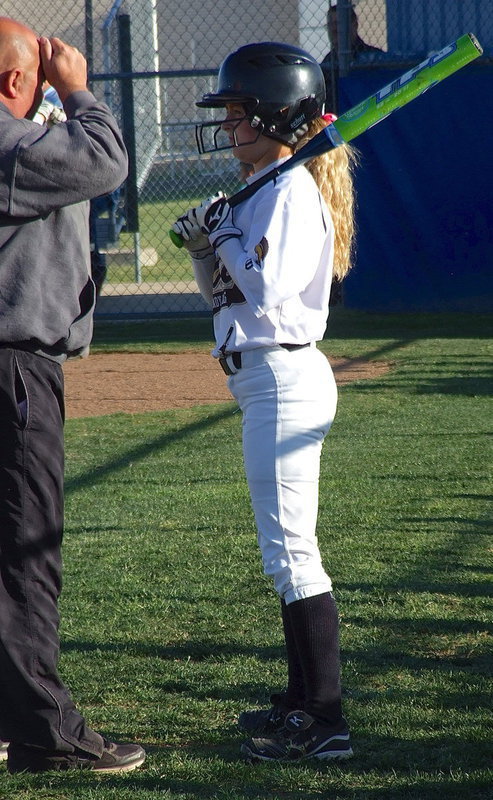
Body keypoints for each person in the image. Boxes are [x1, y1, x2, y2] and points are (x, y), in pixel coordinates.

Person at [172, 41, 357, 763]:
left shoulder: (289, 192)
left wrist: (223, 233)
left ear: (275, 115)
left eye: (239, 113)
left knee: (292, 555)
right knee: (283, 554)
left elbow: (270, 292)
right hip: (259, 376)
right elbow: (224, 297)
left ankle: (327, 721)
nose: (228, 127)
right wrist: (202, 249)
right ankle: (298, 702)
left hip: (283, 376)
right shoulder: (261, 191)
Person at [0, 18, 145, 774]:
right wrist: (79, 87)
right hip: (13, 370)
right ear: (14, 82)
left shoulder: (21, 140)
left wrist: (50, 97)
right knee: (26, 553)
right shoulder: (11, 145)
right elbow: (105, 160)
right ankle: (44, 734)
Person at [321, 2, 384, 111]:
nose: (334, 29)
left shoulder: (373, 56)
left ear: (354, 25)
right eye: (330, 25)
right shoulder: (328, 61)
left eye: (338, 23)